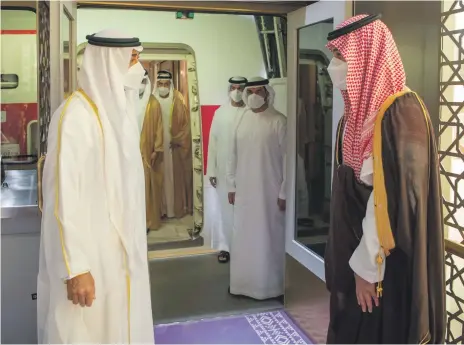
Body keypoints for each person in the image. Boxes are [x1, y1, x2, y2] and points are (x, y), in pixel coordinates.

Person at [323, 14, 445, 343]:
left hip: (382, 271)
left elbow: (394, 202)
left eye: (341, 57)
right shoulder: (358, 114)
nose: (335, 66)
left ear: (368, 57)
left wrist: (366, 270)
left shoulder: (401, 114)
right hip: (354, 260)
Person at [37, 29, 154, 344]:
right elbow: (62, 199)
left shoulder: (118, 116)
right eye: (132, 59)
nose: (139, 69)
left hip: (121, 254)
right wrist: (76, 268)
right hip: (91, 258)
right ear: (108, 61)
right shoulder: (74, 117)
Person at [227, 76, 286, 300]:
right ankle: (242, 285)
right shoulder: (241, 120)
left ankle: (269, 288)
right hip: (244, 192)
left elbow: (288, 159)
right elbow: (232, 156)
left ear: (267, 94)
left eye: (258, 92)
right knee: (243, 236)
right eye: (250, 92)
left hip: (270, 193)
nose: (253, 97)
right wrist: (231, 185)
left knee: (268, 237)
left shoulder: (279, 121)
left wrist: (284, 191)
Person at [207, 76, 248, 263]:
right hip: (223, 170)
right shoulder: (220, 113)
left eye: (241, 88)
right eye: (234, 87)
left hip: (246, 170)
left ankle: (243, 247)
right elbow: (213, 143)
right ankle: (225, 247)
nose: (237, 91)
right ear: (229, 89)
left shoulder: (250, 112)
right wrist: (212, 171)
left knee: (244, 210)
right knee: (224, 209)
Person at [153, 70, 192, 219]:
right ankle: (160, 210)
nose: (163, 87)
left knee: (173, 178)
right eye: (160, 84)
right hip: (157, 149)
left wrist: (178, 139)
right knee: (160, 178)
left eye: (166, 84)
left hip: (173, 148)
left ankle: (174, 210)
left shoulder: (178, 99)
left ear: (171, 84)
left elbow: (187, 126)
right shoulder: (152, 100)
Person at [140, 72, 164, 233]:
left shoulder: (153, 103)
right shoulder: (127, 100)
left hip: (146, 153)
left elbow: (159, 128)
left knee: (146, 189)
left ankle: (147, 221)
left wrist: (157, 148)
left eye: (143, 81)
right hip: (129, 154)